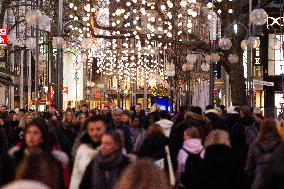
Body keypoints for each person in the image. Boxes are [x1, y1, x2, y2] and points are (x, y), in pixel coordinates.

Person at [4, 118, 68, 189]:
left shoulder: (52, 160)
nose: (31, 136)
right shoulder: (16, 158)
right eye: (28, 132)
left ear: (42, 138)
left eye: (35, 133)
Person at [70, 118, 107, 189]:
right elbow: (76, 176)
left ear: (105, 129)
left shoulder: (112, 148)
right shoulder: (82, 149)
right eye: (91, 130)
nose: (95, 132)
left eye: (98, 129)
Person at [245, 118, 282, 189]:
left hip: (259, 182)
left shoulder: (254, 145)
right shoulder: (281, 145)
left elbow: (249, 169)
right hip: (277, 183)